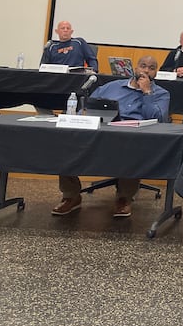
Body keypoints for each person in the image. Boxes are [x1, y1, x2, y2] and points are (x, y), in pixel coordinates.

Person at [52, 55, 170, 218]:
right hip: (101, 131)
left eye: (152, 68)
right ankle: (71, 196)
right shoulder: (111, 87)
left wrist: (147, 93)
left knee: (132, 147)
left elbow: (159, 119)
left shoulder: (161, 94)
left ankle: (124, 198)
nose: (146, 71)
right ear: (135, 68)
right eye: (143, 66)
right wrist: (78, 117)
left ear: (156, 73)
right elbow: (88, 107)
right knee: (66, 142)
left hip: (133, 137)